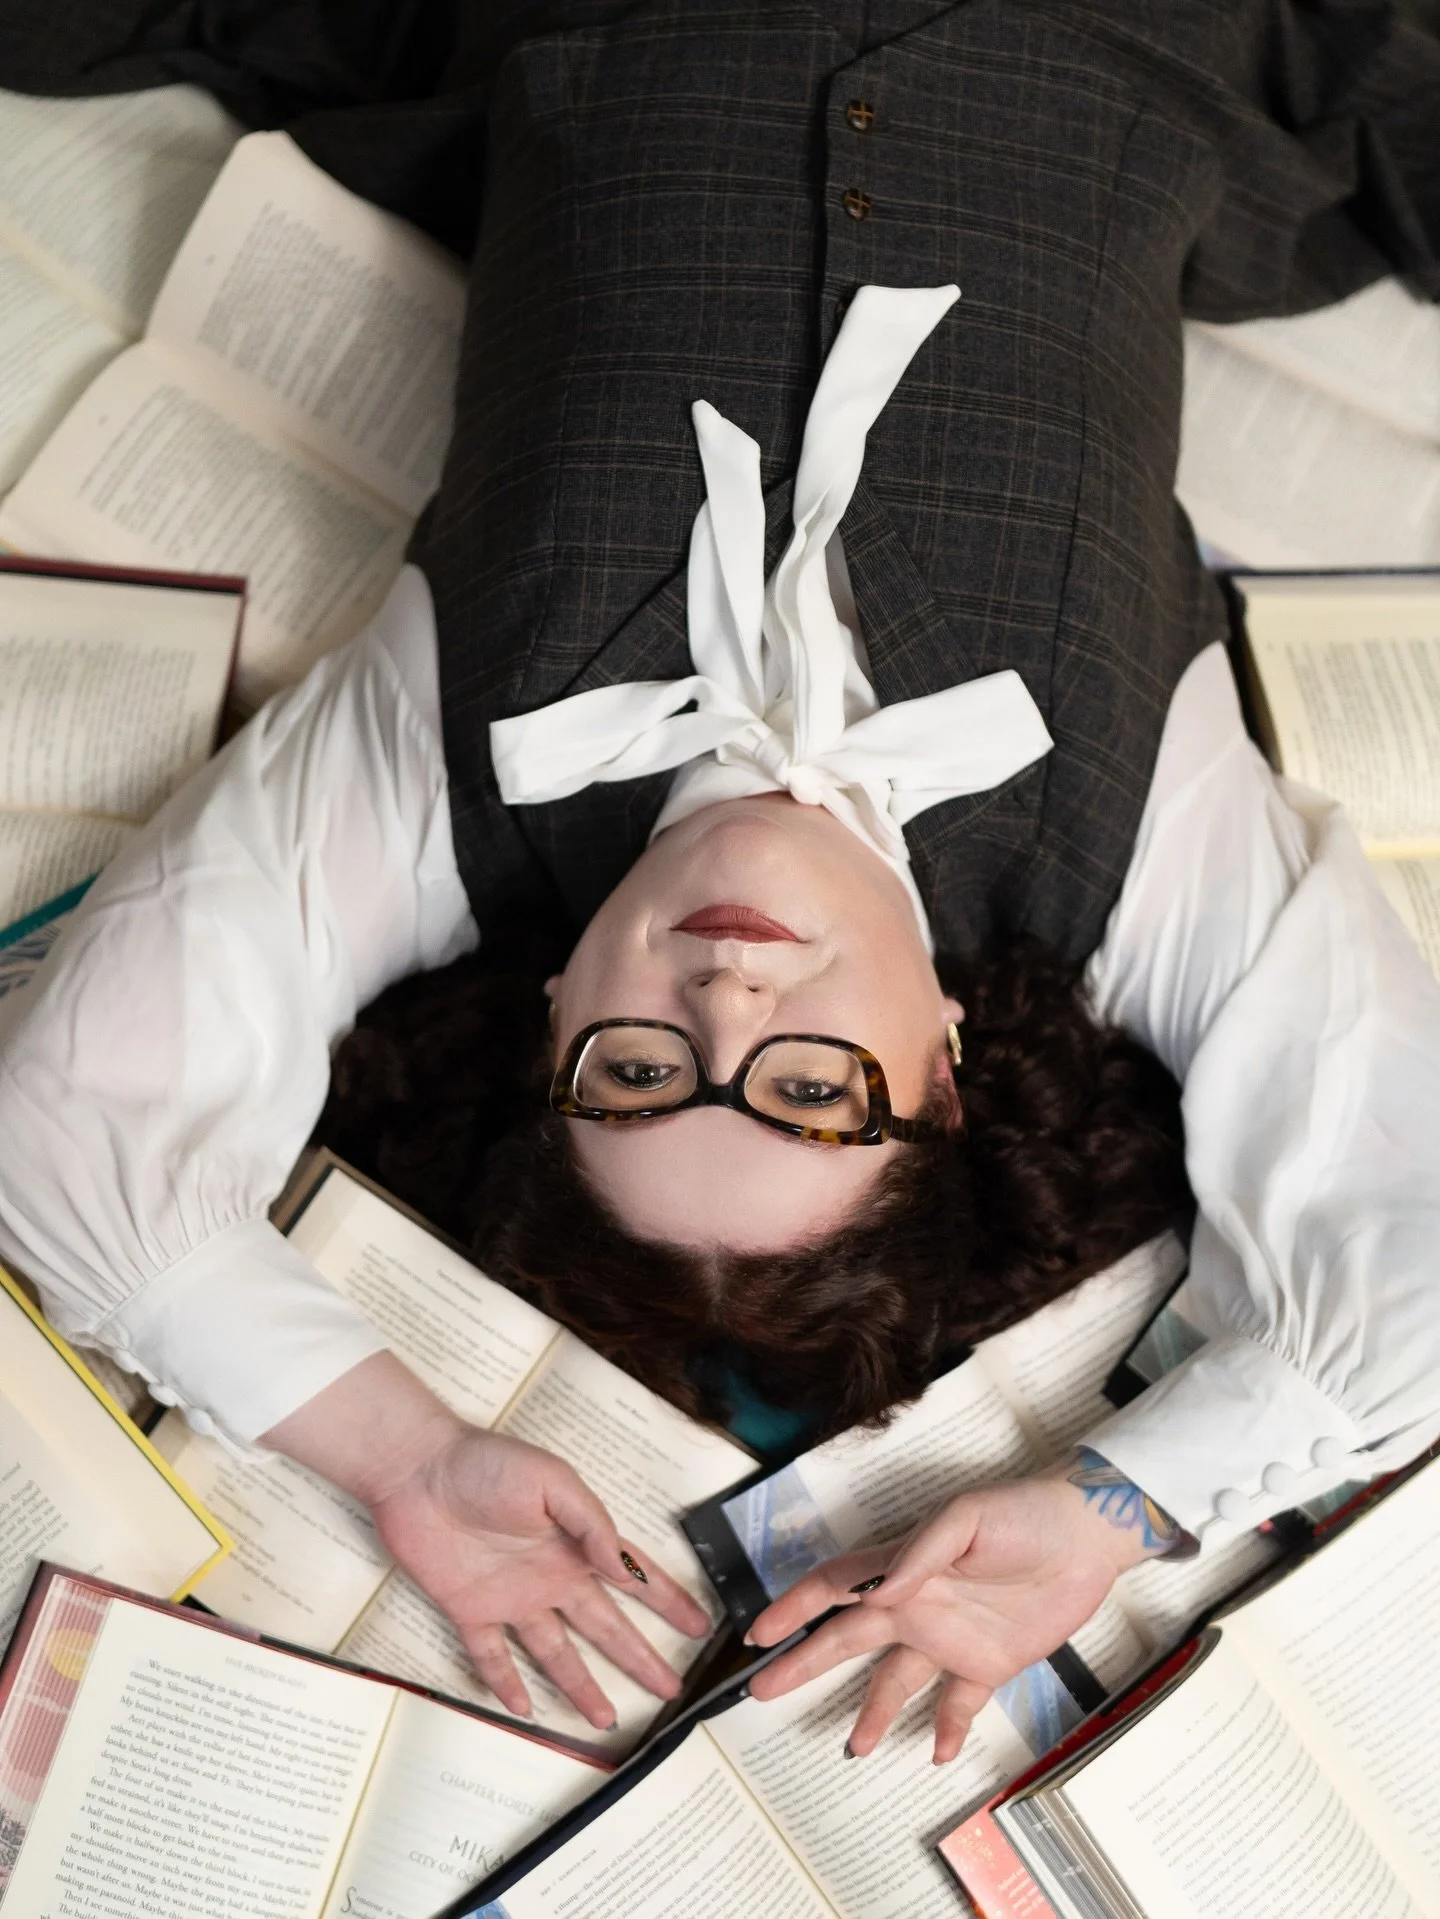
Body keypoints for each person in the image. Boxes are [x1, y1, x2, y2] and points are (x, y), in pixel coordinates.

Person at [1, 0, 1438, 1764]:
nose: (726, 998)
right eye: (815, 1090)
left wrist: (403, 1449)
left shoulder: (440, 783)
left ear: (551, 1024)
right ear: (948, 1065)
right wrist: (1115, 1506)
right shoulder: (1137, 858)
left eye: (635, 1072)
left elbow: (68, 1128)